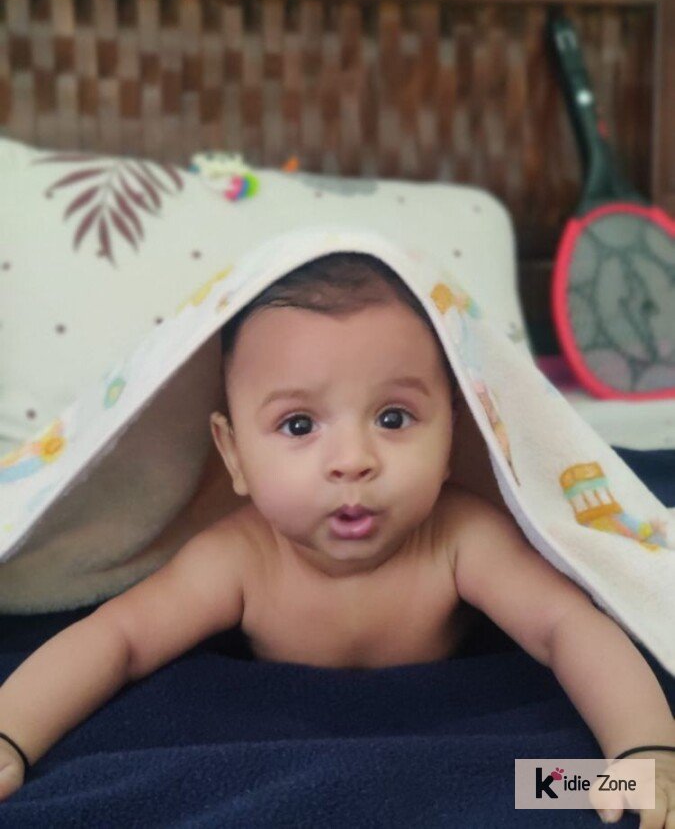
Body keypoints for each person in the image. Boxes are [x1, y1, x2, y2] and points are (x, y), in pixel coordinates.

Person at [0, 252, 673, 824]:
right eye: (298, 425)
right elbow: (118, 639)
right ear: (234, 455)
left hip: (452, 754)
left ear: (453, 436)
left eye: (393, 417)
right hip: (269, 746)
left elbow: (564, 626)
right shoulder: (238, 558)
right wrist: (12, 731)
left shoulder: (460, 537)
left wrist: (644, 749)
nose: (352, 460)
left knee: (552, 785)